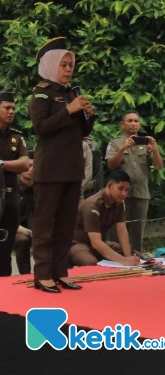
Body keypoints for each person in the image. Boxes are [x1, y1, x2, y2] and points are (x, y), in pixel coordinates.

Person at [29, 37, 94, 293]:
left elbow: (82, 132)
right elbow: (41, 128)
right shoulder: (41, 93)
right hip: (50, 170)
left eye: (71, 65)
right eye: (63, 65)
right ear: (50, 65)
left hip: (72, 168)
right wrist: (68, 110)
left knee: (66, 225)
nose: (68, 69)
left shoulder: (71, 94)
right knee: (45, 224)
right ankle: (42, 274)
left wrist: (89, 114)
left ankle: (60, 272)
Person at [106, 110, 163, 252]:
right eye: (130, 121)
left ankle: (137, 258)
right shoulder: (115, 142)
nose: (133, 124)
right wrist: (123, 148)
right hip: (119, 196)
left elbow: (158, 166)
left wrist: (155, 151)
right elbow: (110, 165)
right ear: (122, 124)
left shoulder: (146, 143)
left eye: (136, 121)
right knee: (117, 231)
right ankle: (115, 258)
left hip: (141, 193)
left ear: (139, 124)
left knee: (138, 233)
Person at [68, 171, 141, 267]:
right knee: (90, 263)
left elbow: (122, 231)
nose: (124, 194)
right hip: (79, 245)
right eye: (120, 188)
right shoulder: (92, 205)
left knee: (136, 256)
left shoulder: (118, 203)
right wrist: (124, 261)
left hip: (102, 243)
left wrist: (128, 258)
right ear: (109, 186)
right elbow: (96, 242)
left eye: (126, 190)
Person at [0, 89, 29, 276]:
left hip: (10, 200)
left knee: (4, 252)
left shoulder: (17, 137)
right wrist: (12, 165)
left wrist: (1, 164)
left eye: (13, 108)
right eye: (6, 108)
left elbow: (25, 163)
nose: (11, 111)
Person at [14, 150, 35, 274]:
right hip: (14, 229)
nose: (31, 169)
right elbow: (8, 221)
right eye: (28, 166)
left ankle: (46, 275)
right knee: (23, 240)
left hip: (34, 227)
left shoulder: (41, 188)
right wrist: (29, 232)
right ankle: (25, 275)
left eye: (34, 166)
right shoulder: (10, 188)